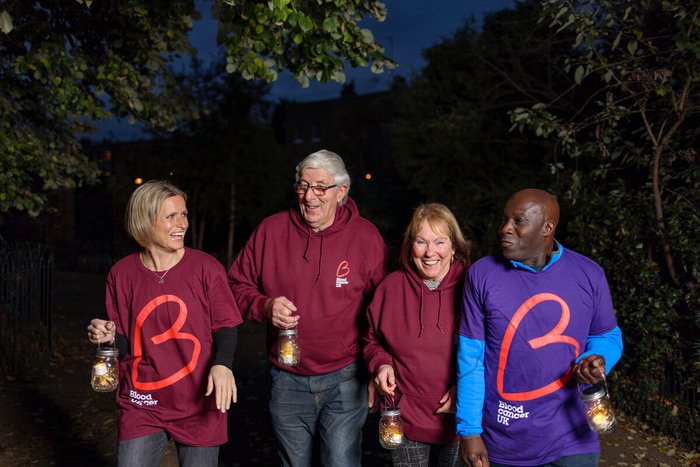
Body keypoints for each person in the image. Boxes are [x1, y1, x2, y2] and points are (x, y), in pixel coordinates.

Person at [228, 149, 391, 467]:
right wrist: (264, 305)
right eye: (303, 185)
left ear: (341, 191)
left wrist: (379, 365)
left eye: (320, 187)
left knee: (341, 462)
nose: (309, 196)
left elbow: (384, 312)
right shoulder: (270, 231)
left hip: (346, 377)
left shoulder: (366, 238)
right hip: (286, 378)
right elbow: (234, 288)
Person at [456, 188, 623, 467]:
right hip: (505, 439)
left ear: (547, 228)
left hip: (573, 436)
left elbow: (607, 335)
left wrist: (598, 358)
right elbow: (470, 359)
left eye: (518, 221)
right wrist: (469, 430)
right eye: (505, 220)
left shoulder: (589, 273)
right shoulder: (482, 274)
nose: (505, 229)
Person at [87, 180, 243, 467]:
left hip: (199, 403)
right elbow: (123, 341)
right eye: (170, 216)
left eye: (183, 214)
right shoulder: (122, 274)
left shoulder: (206, 268)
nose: (181, 223)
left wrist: (223, 363)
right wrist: (107, 336)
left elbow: (225, 327)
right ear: (145, 221)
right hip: (141, 402)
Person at [363, 203, 471, 467]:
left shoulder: (472, 287)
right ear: (410, 247)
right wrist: (381, 363)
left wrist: (466, 387)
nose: (430, 252)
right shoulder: (390, 288)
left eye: (440, 242)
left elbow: (492, 348)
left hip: (459, 417)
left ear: (454, 247)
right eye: (421, 242)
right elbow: (370, 338)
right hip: (404, 415)